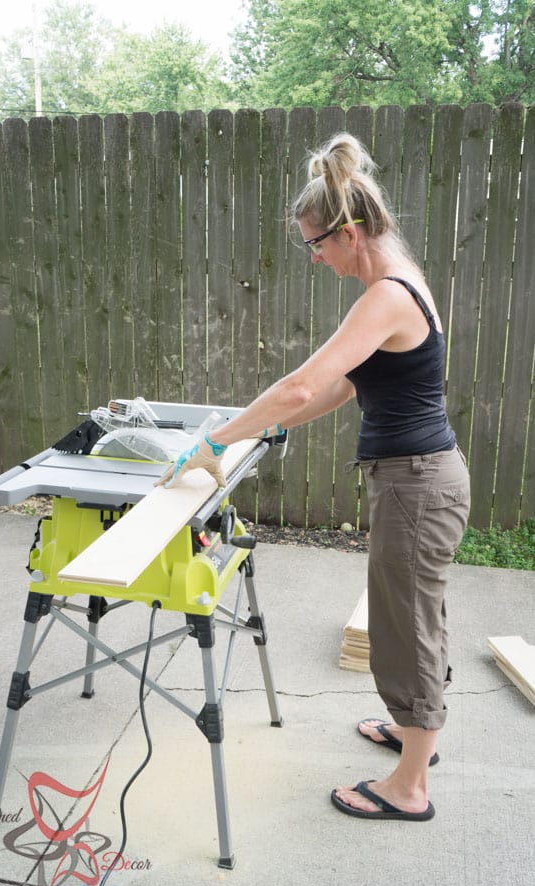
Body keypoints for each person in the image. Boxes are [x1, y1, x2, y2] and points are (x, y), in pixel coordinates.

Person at [156, 133, 471, 822]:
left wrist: (216, 437)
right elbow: (346, 387)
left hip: (417, 484)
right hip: (421, 478)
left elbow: (301, 386)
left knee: (407, 624)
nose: (317, 259)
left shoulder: (385, 295)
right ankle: (415, 733)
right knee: (413, 615)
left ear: (351, 231)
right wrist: (270, 427)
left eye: (318, 245)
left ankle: (410, 785)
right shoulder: (400, 281)